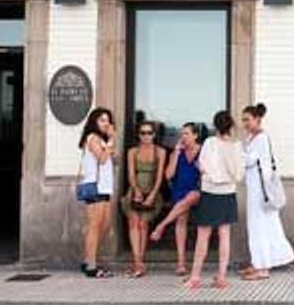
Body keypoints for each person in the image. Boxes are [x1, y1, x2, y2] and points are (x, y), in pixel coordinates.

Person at [180, 111, 245, 290]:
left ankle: (195, 277)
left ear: (215, 126)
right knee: (224, 235)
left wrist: (210, 174)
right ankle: (222, 277)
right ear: (231, 126)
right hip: (228, 192)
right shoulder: (237, 146)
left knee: (203, 236)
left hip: (210, 192)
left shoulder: (210, 143)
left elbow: (202, 166)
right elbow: (240, 173)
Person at [240, 103, 294, 281]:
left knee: (259, 227)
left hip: (260, 191)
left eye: (247, 120)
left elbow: (250, 161)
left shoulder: (261, 138)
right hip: (256, 189)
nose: (245, 123)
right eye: (243, 120)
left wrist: (234, 152)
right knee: (265, 226)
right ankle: (258, 262)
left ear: (257, 119)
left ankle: (262, 268)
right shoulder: (252, 138)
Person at [150, 122, 202, 276]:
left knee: (191, 196)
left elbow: (209, 171)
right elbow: (168, 175)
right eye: (182, 134)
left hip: (199, 190)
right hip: (180, 190)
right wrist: (176, 154)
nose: (183, 137)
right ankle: (181, 263)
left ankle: (162, 225)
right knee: (181, 220)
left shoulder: (203, 151)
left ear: (195, 135)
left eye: (186, 133)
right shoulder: (176, 152)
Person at [123, 121, 167, 278]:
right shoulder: (132, 151)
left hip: (152, 189)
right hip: (136, 189)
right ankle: (137, 262)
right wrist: (136, 190)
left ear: (154, 134)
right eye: (143, 133)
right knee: (133, 223)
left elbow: (160, 175)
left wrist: (153, 194)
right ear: (138, 134)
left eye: (149, 133)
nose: (146, 136)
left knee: (143, 224)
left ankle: (139, 261)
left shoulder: (160, 152)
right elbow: (131, 173)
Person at [77, 107, 116, 279]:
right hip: (95, 187)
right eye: (102, 120)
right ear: (94, 122)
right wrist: (112, 139)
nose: (106, 123)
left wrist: (109, 143)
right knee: (95, 226)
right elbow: (102, 159)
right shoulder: (92, 138)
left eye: (107, 120)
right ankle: (91, 266)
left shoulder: (102, 139)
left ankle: (89, 260)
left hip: (105, 188)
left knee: (105, 226)